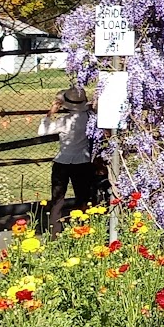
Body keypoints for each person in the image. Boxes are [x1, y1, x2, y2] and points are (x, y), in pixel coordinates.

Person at [46, 85, 100, 233]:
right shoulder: (90, 119)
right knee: (83, 198)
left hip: (62, 162)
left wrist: (51, 112)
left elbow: (43, 130)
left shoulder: (64, 121)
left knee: (57, 200)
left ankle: (54, 233)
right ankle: (83, 230)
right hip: (83, 162)